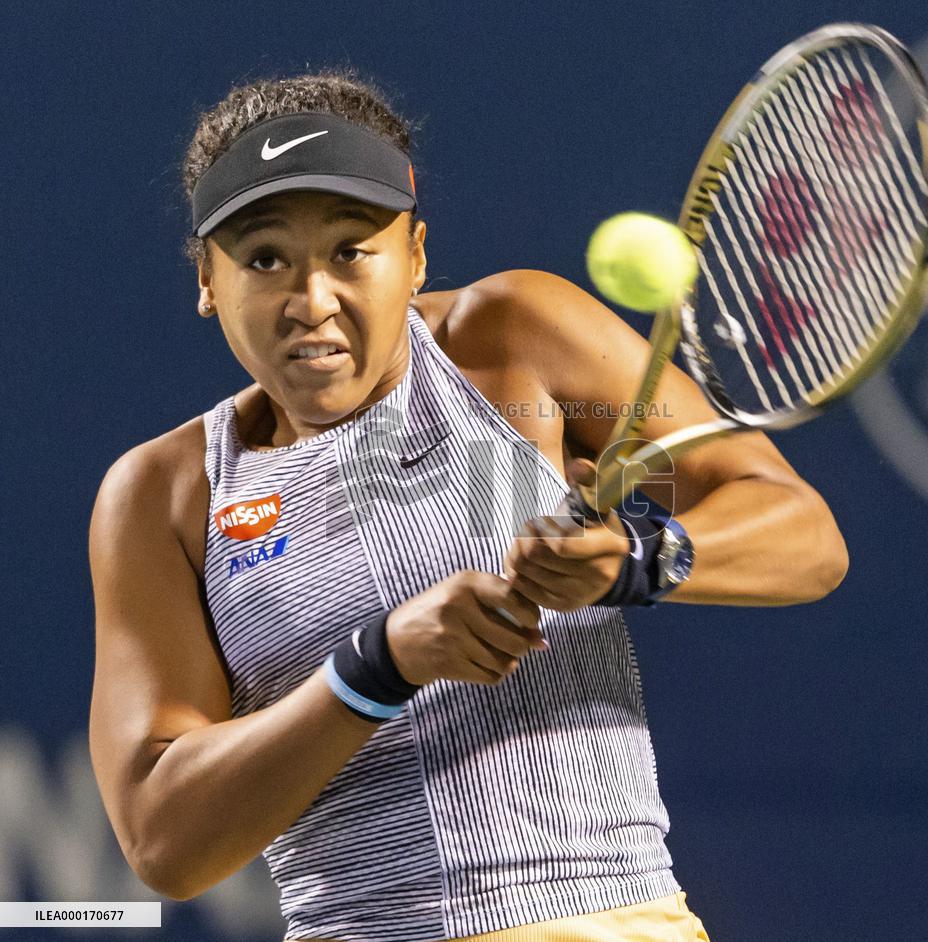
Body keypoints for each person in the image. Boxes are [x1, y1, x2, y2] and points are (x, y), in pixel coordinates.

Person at [88, 69, 848, 942]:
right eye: (265, 259)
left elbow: (802, 533)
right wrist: (375, 667)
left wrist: (636, 560)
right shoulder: (164, 495)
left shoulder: (513, 340)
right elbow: (164, 837)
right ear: (208, 282)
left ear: (414, 256)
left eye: (350, 250)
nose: (313, 301)